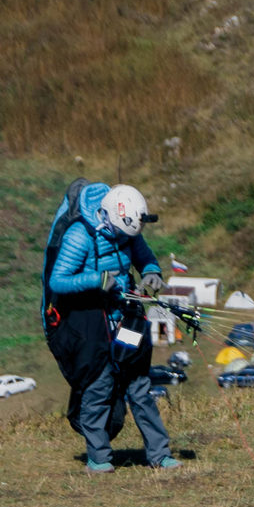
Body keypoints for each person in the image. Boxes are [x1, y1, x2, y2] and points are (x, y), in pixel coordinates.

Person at [44, 183, 178, 472]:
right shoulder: (80, 235)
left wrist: (152, 272)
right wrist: (97, 279)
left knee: (139, 385)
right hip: (90, 322)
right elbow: (58, 281)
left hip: (126, 318)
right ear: (109, 218)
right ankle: (99, 458)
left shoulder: (128, 234)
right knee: (99, 386)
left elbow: (145, 257)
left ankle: (159, 454)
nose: (122, 240)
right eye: (119, 234)